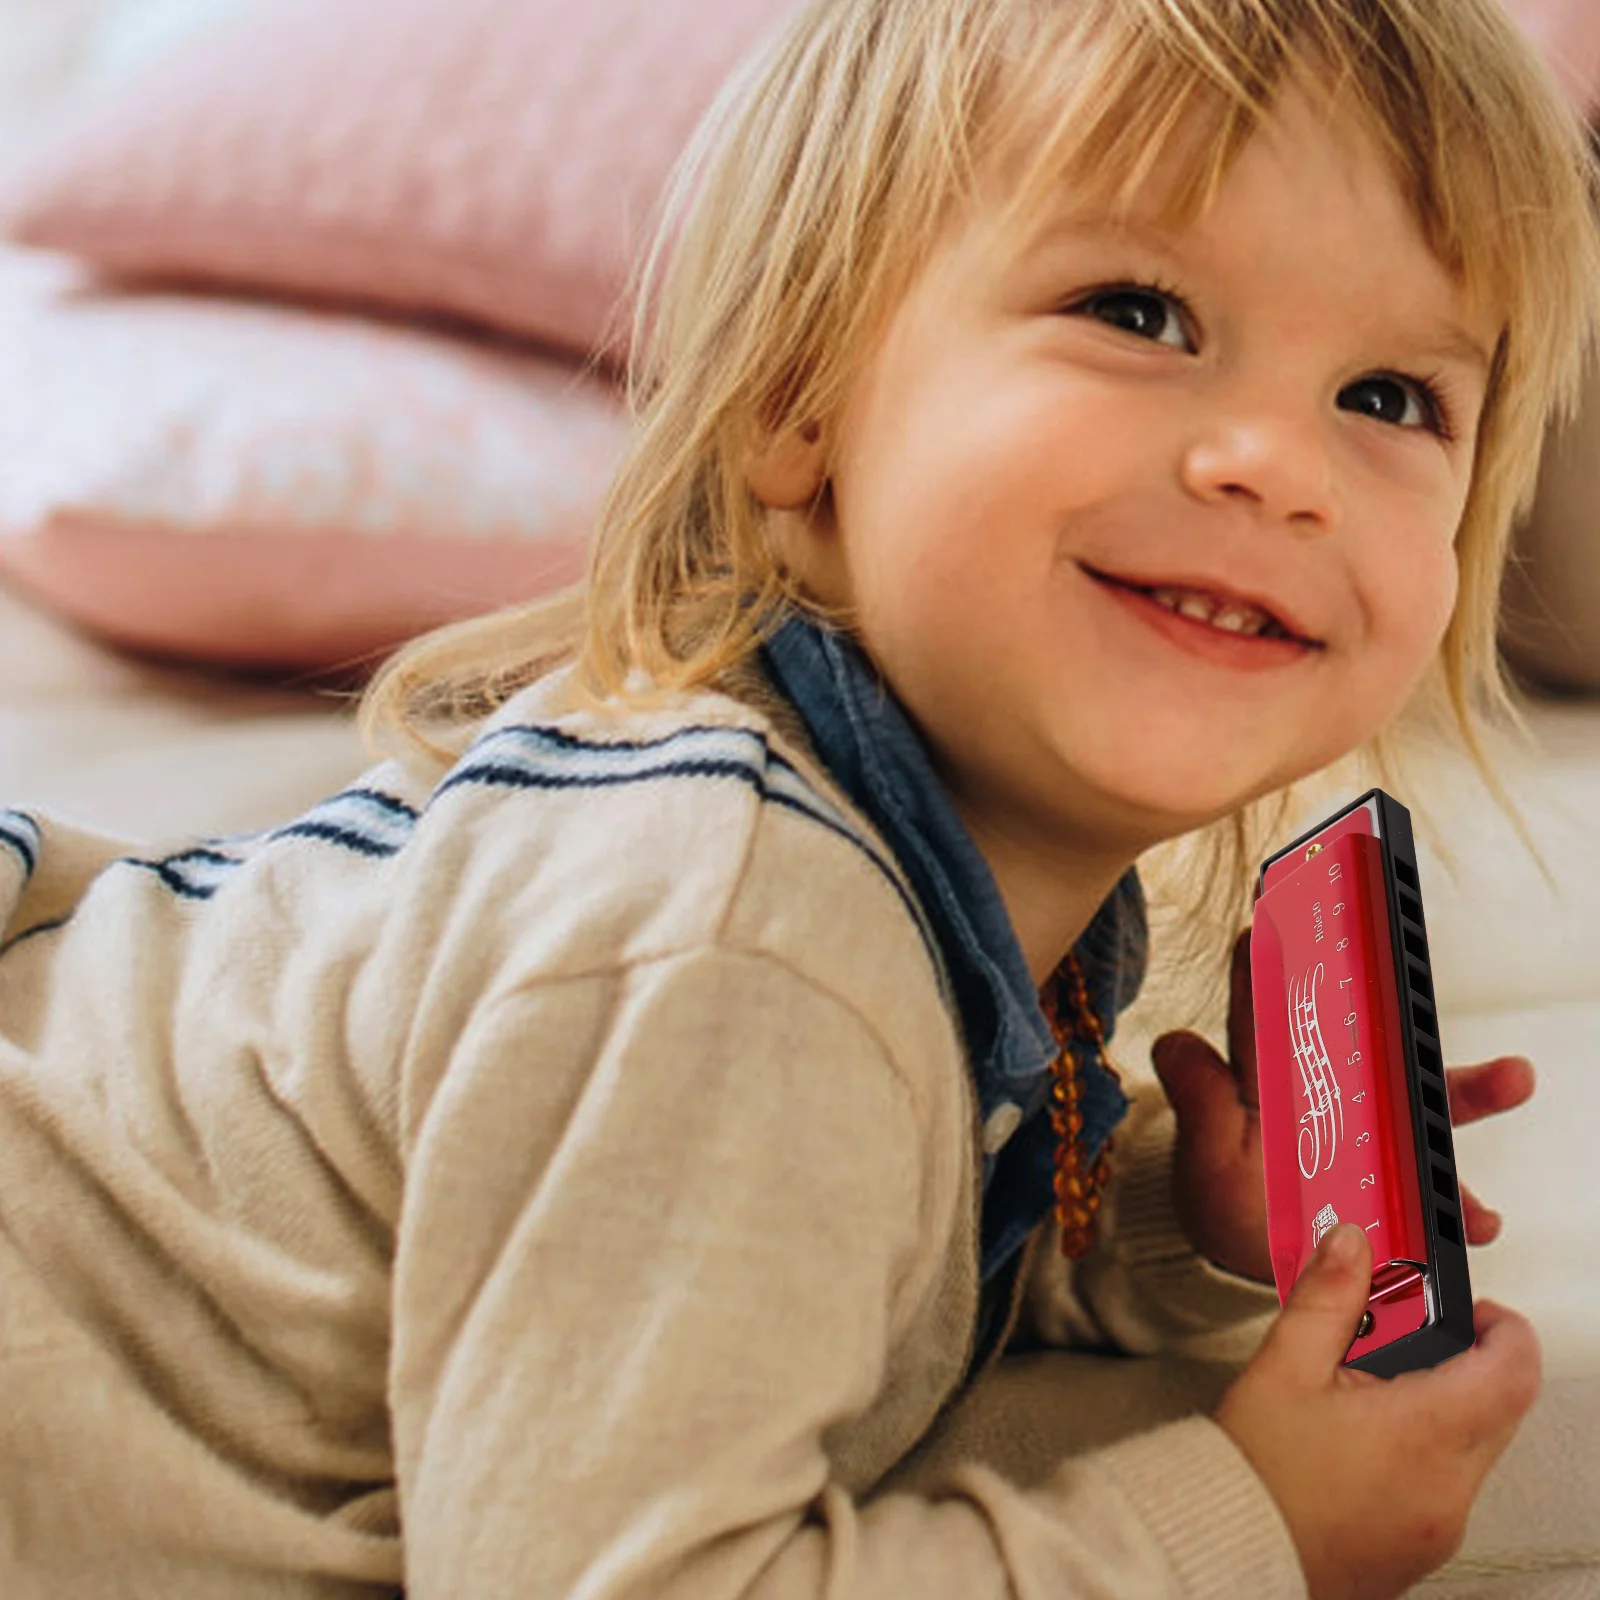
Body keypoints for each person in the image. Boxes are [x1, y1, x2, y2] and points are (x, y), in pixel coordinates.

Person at [2, 0, 1598, 1595]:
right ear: (799, 409)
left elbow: (811, 1252)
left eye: (1390, 398)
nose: (1279, 462)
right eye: (1139, 310)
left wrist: (1170, 1219)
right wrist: (1246, 1525)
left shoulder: (936, 870)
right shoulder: (738, 935)